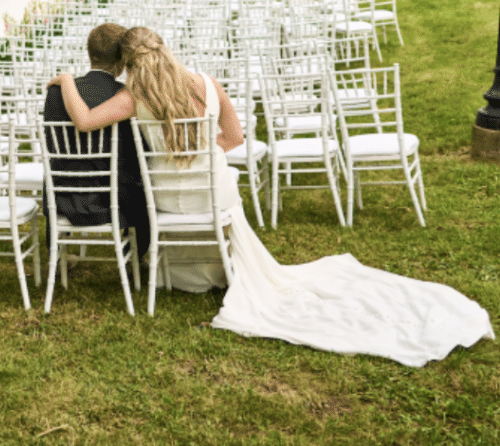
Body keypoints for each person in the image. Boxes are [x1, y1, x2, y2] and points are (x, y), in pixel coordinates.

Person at [49, 26, 494, 367]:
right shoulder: (207, 84)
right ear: (165, 49)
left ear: (128, 64)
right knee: (224, 189)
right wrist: (199, 153)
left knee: (158, 191)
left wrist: (66, 80)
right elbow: (235, 138)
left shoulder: (133, 96)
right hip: (214, 194)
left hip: (166, 200)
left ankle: (182, 275)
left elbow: (84, 121)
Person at [42, 22, 149, 259]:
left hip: (62, 196)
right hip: (113, 198)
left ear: (89, 54)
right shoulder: (124, 95)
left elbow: (53, 144)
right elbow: (136, 151)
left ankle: (57, 253)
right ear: (122, 61)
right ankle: (139, 253)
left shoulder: (56, 92)